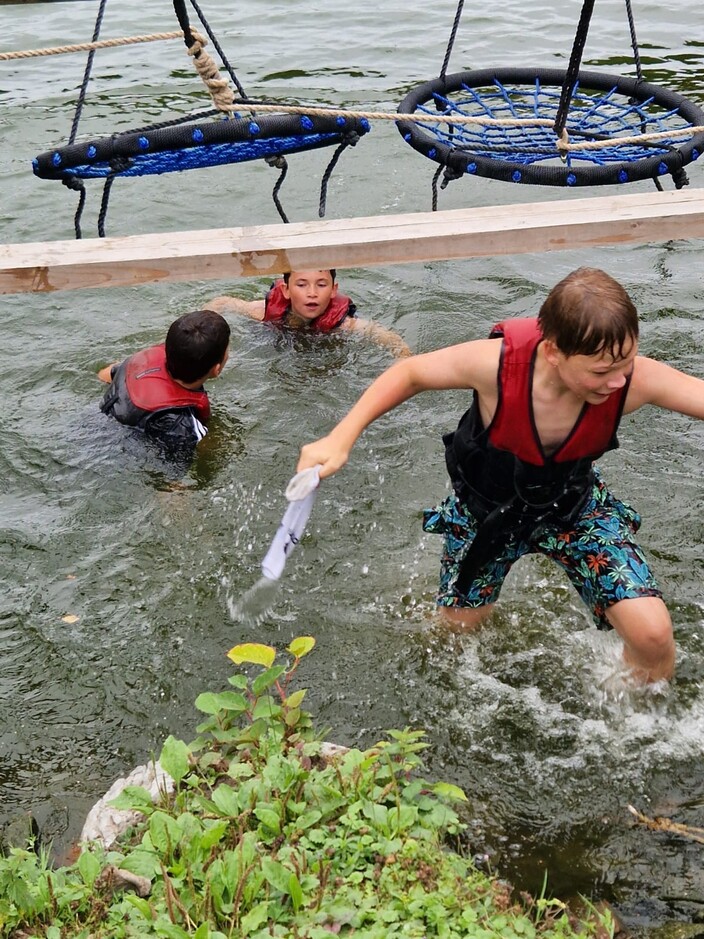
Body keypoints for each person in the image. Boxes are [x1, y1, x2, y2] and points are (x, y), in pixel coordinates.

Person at [296, 268, 704, 684]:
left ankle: (634, 722)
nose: (617, 381)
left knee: (653, 636)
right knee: (453, 640)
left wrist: (617, 372)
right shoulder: (496, 368)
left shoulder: (631, 382)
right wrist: (340, 437)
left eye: (626, 362)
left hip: (573, 508)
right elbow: (411, 373)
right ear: (552, 352)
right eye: (600, 372)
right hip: (483, 513)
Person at [97, 308, 231, 455]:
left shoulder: (139, 363)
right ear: (216, 369)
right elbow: (172, 476)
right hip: (117, 449)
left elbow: (103, 375)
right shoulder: (184, 428)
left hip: (96, 422)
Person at [206, 269, 411, 357]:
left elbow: (387, 337)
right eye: (302, 285)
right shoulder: (262, 311)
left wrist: (402, 358)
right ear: (286, 290)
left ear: (333, 290)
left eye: (321, 285)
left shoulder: (343, 325)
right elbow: (222, 302)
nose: (312, 293)